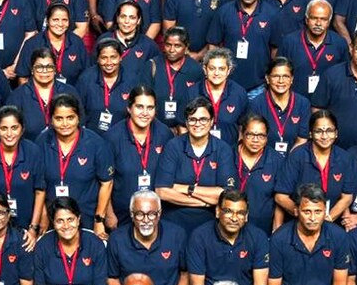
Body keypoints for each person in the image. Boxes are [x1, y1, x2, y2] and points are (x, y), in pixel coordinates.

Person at [268, 183, 352, 285]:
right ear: (296, 211)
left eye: (318, 212)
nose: (313, 218)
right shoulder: (279, 239)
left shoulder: (339, 237)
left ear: (324, 212)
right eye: (307, 211)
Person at [105, 191, 189, 285]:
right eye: (140, 214)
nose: (146, 220)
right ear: (131, 214)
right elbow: (112, 278)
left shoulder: (177, 235)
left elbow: (185, 274)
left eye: (151, 214)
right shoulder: (117, 239)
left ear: (160, 213)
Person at [186, 190, 269, 285]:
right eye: (228, 211)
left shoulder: (258, 237)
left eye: (240, 213)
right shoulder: (199, 237)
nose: (234, 218)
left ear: (246, 216)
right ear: (218, 212)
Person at [156, 97, 237, 231]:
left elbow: (227, 194)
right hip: (174, 223)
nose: (197, 124)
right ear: (186, 123)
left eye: (203, 119)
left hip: (210, 225)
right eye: (192, 119)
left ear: (211, 122)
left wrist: (187, 189)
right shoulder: (173, 146)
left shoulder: (223, 149)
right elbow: (162, 192)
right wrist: (203, 202)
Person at [37, 94, 115, 234]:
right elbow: (38, 185)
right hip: (52, 219)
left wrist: (99, 220)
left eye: (70, 118)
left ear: (78, 117)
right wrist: (42, 216)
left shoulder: (96, 144)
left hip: (87, 218)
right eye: (59, 119)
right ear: (51, 120)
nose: (65, 124)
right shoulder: (42, 142)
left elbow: (106, 183)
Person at [33, 197, 108, 285]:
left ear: (78, 219)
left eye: (70, 219)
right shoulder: (43, 246)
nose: (66, 225)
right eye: (60, 221)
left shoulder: (94, 244)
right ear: (53, 223)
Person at [103, 87, 175, 229]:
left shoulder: (165, 134)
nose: (145, 113)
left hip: (157, 216)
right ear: (129, 108)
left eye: (150, 108)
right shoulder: (112, 138)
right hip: (122, 216)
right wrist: (109, 214)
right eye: (139, 107)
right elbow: (105, 181)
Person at [0, 106, 46, 237]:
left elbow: (39, 191)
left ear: (22, 129)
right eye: (4, 128)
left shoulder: (33, 151)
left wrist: (33, 228)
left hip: (25, 222)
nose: (9, 134)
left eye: (14, 128)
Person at [274, 110, 355, 220]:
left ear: (336, 133)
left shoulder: (345, 158)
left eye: (329, 131)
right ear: (310, 133)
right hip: (299, 221)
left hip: (330, 220)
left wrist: (328, 218)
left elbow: (347, 197)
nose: (324, 136)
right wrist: (304, 214)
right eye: (318, 131)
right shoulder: (297, 155)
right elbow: (280, 196)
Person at [206, 0, 278, 92]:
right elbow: (213, 45)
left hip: (259, 86)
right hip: (227, 84)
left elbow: (275, 51)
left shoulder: (271, 14)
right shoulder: (224, 12)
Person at [273, 0, 349, 97]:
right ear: (307, 19)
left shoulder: (340, 43)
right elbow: (278, 72)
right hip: (295, 101)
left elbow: (344, 78)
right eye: (314, 18)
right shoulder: (289, 42)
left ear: (329, 22)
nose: (318, 23)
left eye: (323, 19)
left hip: (327, 104)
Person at [8, 48, 81, 139]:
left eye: (49, 67)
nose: (44, 71)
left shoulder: (70, 92)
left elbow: (80, 124)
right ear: (32, 69)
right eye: (39, 67)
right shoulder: (17, 96)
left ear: (55, 69)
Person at [74, 38, 143, 134]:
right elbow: (77, 111)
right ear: (97, 59)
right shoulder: (85, 79)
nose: (109, 62)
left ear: (120, 57)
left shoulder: (132, 80)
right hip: (92, 137)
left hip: (123, 137)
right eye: (104, 58)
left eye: (113, 57)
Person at [12, 3, 89, 89]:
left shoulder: (77, 42)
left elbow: (86, 75)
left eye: (64, 20)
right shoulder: (32, 43)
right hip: (38, 98)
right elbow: (23, 77)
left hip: (70, 98)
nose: (60, 24)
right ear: (47, 21)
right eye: (55, 20)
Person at [231, 115, 283, 235]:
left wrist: (277, 229)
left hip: (262, 228)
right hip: (229, 224)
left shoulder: (277, 160)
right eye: (250, 135)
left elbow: (280, 198)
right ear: (242, 134)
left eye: (261, 136)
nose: (256, 140)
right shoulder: (228, 155)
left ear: (267, 137)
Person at [246, 57, 310, 154]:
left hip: (293, 161)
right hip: (264, 161)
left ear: (292, 79)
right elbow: (253, 140)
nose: (281, 81)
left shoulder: (303, 104)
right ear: (267, 79)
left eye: (285, 76)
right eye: (276, 76)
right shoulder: (256, 104)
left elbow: (302, 140)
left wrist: (289, 163)